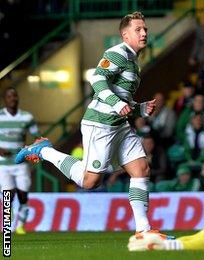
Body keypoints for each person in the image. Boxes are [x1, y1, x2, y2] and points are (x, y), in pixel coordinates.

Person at [15, 12, 166, 236]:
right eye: (138, 29)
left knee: (141, 168)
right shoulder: (118, 52)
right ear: (125, 35)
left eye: (145, 29)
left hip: (119, 125)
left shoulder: (134, 61)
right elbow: (97, 78)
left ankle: (143, 230)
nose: (144, 33)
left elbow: (122, 98)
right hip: (101, 125)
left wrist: (140, 108)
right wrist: (116, 103)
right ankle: (44, 150)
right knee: (89, 182)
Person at [0, 88, 39, 234]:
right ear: (5, 99)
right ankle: (7, 226)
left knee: (23, 195)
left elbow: (37, 137)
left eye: (15, 95)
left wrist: (33, 150)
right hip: (3, 164)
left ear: (18, 98)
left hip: (21, 163)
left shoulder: (27, 117)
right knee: (8, 196)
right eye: (9, 96)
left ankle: (21, 225)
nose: (13, 98)